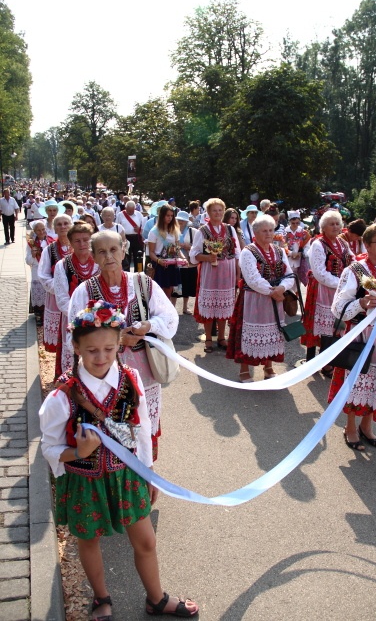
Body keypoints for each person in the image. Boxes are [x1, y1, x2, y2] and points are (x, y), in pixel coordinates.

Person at [39, 300, 198, 620]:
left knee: (146, 541)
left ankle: (156, 598)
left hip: (127, 476)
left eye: (109, 349)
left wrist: (149, 472)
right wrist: (77, 453)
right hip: (85, 482)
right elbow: (49, 447)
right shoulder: (63, 397)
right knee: (89, 542)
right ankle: (101, 598)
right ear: (76, 347)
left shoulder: (130, 380)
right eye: (92, 350)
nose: (101, 358)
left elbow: (141, 429)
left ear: (118, 346)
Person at [69, 230, 179, 462]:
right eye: (101, 251)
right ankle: (116, 480)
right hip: (103, 372)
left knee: (143, 423)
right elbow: (75, 335)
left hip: (143, 371)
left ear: (123, 250)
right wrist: (118, 340)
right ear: (93, 256)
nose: (108, 256)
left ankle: (144, 476)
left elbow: (169, 318)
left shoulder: (143, 283)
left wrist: (146, 326)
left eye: (113, 250)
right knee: (108, 425)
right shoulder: (84, 291)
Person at [328, 223, 376, 450]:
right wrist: (361, 303)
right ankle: (350, 427)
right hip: (361, 334)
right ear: (367, 245)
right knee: (358, 379)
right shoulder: (354, 271)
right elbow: (338, 308)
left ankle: (367, 425)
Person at [226, 215, 295, 382]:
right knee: (247, 333)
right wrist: (274, 291)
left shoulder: (279, 251)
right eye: (264, 231)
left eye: (271, 230)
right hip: (253, 300)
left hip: (274, 299)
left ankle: (269, 366)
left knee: (273, 332)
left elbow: (290, 274)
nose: (269, 234)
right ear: (255, 233)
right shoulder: (248, 252)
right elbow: (252, 278)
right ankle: (244, 369)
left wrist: (282, 288)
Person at [300, 210, 354, 376]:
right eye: (331, 224)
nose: (336, 226)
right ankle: (323, 363)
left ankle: (331, 360)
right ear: (323, 226)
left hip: (340, 290)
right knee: (325, 327)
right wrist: (342, 284)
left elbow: (353, 261)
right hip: (322, 290)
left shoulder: (343, 243)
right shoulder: (318, 244)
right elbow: (320, 273)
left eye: (337, 223)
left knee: (337, 326)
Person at [190, 198, 241, 353]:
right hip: (210, 272)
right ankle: (208, 338)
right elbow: (194, 254)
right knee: (210, 305)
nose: (217, 213)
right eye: (214, 210)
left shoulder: (230, 229)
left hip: (227, 272)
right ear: (209, 212)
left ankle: (221, 337)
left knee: (223, 306)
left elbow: (237, 252)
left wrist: (238, 273)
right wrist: (207, 257)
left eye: (220, 210)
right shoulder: (202, 231)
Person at [54, 222, 100, 375]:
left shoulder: (100, 262)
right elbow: (61, 298)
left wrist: (99, 315)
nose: (82, 244)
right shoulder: (63, 265)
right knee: (74, 355)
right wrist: (83, 318)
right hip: (72, 319)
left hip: (102, 319)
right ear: (70, 242)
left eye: (86, 240)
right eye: (77, 241)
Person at [38, 215, 73, 375]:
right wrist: (60, 288)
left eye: (66, 223)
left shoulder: (78, 246)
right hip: (55, 298)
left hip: (75, 297)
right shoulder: (49, 250)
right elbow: (43, 275)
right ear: (54, 227)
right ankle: (62, 372)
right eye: (59, 224)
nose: (63, 226)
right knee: (61, 337)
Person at [148, 205, 185, 304]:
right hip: (159, 266)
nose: (170, 218)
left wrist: (183, 258)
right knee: (158, 294)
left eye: (171, 216)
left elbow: (177, 249)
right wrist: (159, 261)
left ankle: (167, 315)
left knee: (168, 294)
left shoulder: (174, 230)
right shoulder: (153, 232)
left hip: (172, 264)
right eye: (167, 215)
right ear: (162, 216)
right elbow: (151, 252)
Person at [25, 221, 53, 326]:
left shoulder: (51, 241)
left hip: (48, 271)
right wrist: (32, 255)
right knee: (38, 293)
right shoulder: (31, 243)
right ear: (35, 231)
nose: (41, 232)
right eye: (38, 230)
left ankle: (48, 315)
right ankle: (39, 315)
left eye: (43, 229)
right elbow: (28, 261)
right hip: (36, 270)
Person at [176, 210, 197, 315]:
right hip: (176, 262)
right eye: (179, 220)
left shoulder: (193, 231)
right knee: (175, 286)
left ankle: (185, 307)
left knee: (187, 285)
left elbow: (198, 247)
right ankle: (172, 308)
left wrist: (188, 247)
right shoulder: (172, 230)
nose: (181, 222)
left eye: (183, 220)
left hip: (189, 262)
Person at [117, 201, 145, 272]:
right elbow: (117, 226)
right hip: (125, 238)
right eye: (129, 210)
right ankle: (126, 274)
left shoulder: (139, 214)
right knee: (126, 258)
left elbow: (144, 227)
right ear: (125, 208)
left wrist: (139, 229)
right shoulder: (120, 215)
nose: (130, 212)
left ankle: (139, 273)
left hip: (137, 238)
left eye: (132, 210)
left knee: (139, 257)